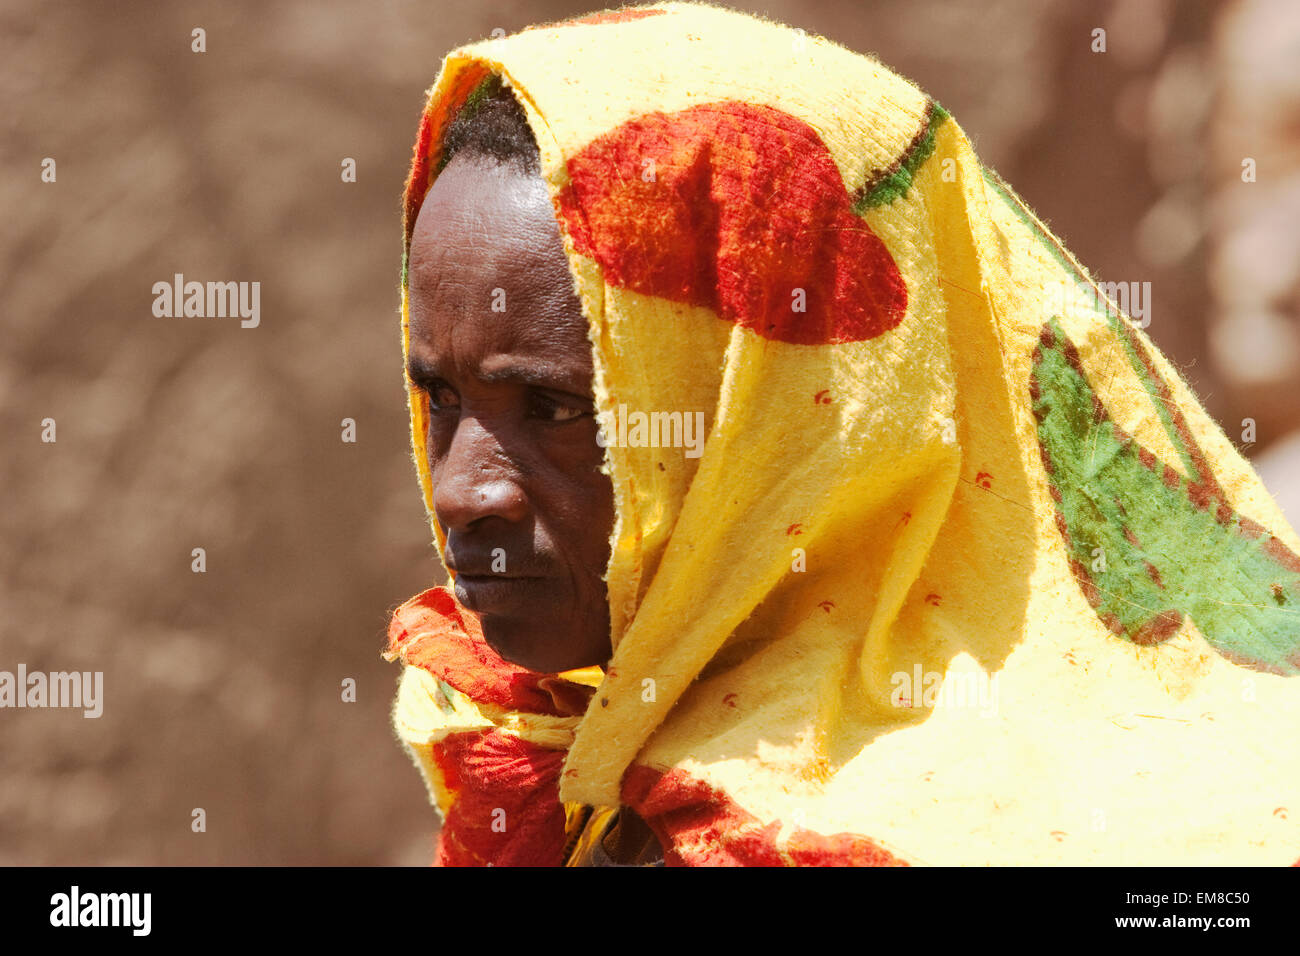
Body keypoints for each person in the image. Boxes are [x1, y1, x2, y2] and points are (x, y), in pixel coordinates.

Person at [384, 1, 1300, 866]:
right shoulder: (600, 780)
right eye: (443, 398)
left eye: (551, 409)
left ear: (777, 421)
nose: (463, 491)